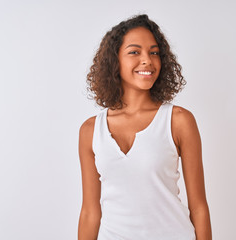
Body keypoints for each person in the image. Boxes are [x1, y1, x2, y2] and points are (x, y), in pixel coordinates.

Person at [78, 14, 212, 240]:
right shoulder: (91, 130)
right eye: (134, 52)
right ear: (115, 61)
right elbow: (90, 213)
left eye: (154, 52)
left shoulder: (179, 121)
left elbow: (198, 207)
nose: (147, 60)